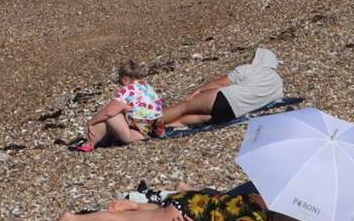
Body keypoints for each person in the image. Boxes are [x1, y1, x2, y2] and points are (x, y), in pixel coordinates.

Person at [52, 180, 310, 221]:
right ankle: (72, 218)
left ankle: (140, 205)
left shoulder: (257, 197)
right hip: (187, 212)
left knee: (147, 215)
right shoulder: (255, 220)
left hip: (193, 198)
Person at [155, 47, 283, 133]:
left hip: (225, 97)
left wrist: (199, 91)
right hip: (232, 114)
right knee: (195, 117)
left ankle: (148, 123)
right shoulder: (278, 84)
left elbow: (220, 83)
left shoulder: (251, 69)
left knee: (183, 107)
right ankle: (166, 128)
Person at [76, 62, 163, 151]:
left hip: (140, 128)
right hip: (157, 127)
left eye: (119, 81)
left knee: (110, 116)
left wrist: (91, 122)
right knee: (119, 112)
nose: (120, 84)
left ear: (124, 79)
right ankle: (104, 140)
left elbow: (108, 112)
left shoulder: (128, 89)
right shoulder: (147, 87)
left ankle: (91, 142)